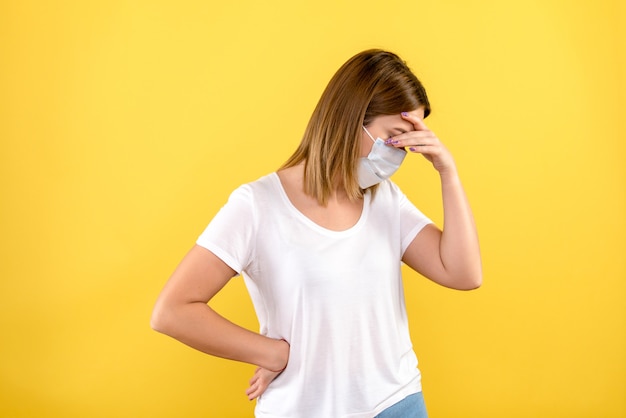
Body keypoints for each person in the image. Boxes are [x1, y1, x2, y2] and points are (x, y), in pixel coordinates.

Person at [151, 49, 482, 418]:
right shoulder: (257, 206)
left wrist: (447, 172)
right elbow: (172, 311)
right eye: (395, 137)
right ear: (351, 119)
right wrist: (270, 353)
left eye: (409, 142)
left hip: (397, 404)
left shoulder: (385, 200)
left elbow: (464, 274)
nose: (402, 153)